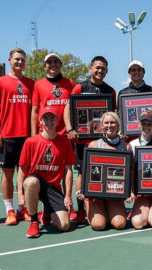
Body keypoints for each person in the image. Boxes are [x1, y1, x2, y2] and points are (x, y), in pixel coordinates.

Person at [64, 56, 117, 224]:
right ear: (90, 68)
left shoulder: (111, 90)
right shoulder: (80, 87)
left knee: (105, 170)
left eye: (103, 68)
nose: (100, 71)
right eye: (97, 67)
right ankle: (80, 209)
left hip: (103, 140)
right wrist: (70, 129)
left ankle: (104, 203)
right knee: (81, 173)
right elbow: (68, 108)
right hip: (82, 140)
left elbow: (113, 114)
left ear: (107, 71)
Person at [0, 48, 35, 225]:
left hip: (27, 137)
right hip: (8, 136)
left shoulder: (31, 83)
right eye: (17, 59)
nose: (20, 62)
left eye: (22, 60)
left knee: (26, 176)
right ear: (9, 60)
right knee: (7, 174)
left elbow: (35, 110)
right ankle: (9, 210)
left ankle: (23, 209)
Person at [17, 106, 76, 238]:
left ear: (57, 120)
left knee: (65, 226)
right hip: (35, 183)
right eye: (46, 118)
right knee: (31, 182)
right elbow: (22, 170)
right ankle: (33, 221)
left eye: (52, 118)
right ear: (41, 121)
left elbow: (68, 171)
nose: (49, 121)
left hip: (53, 188)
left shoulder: (65, 142)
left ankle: (47, 211)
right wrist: (20, 194)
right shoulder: (30, 142)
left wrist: (68, 196)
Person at [75, 112, 132, 230]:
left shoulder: (126, 147)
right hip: (96, 194)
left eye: (112, 122)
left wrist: (130, 192)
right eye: (106, 123)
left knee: (120, 224)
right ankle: (94, 206)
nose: (109, 125)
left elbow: (130, 172)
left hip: (114, 193)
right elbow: (83, 173)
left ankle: (108, 209)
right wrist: (80, 190)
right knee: (99, 225)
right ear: (101, 126)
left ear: (118, 125)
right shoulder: (94, 145)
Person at [31, 53, 75, 136]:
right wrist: (33, 135)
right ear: (45, 67)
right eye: (49, 62)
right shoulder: (38, 84)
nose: (53, 64)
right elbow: (35, 111)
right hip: (45, 133)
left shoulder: (70, 83)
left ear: (61, 65)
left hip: (66, 134)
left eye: (56, 61)